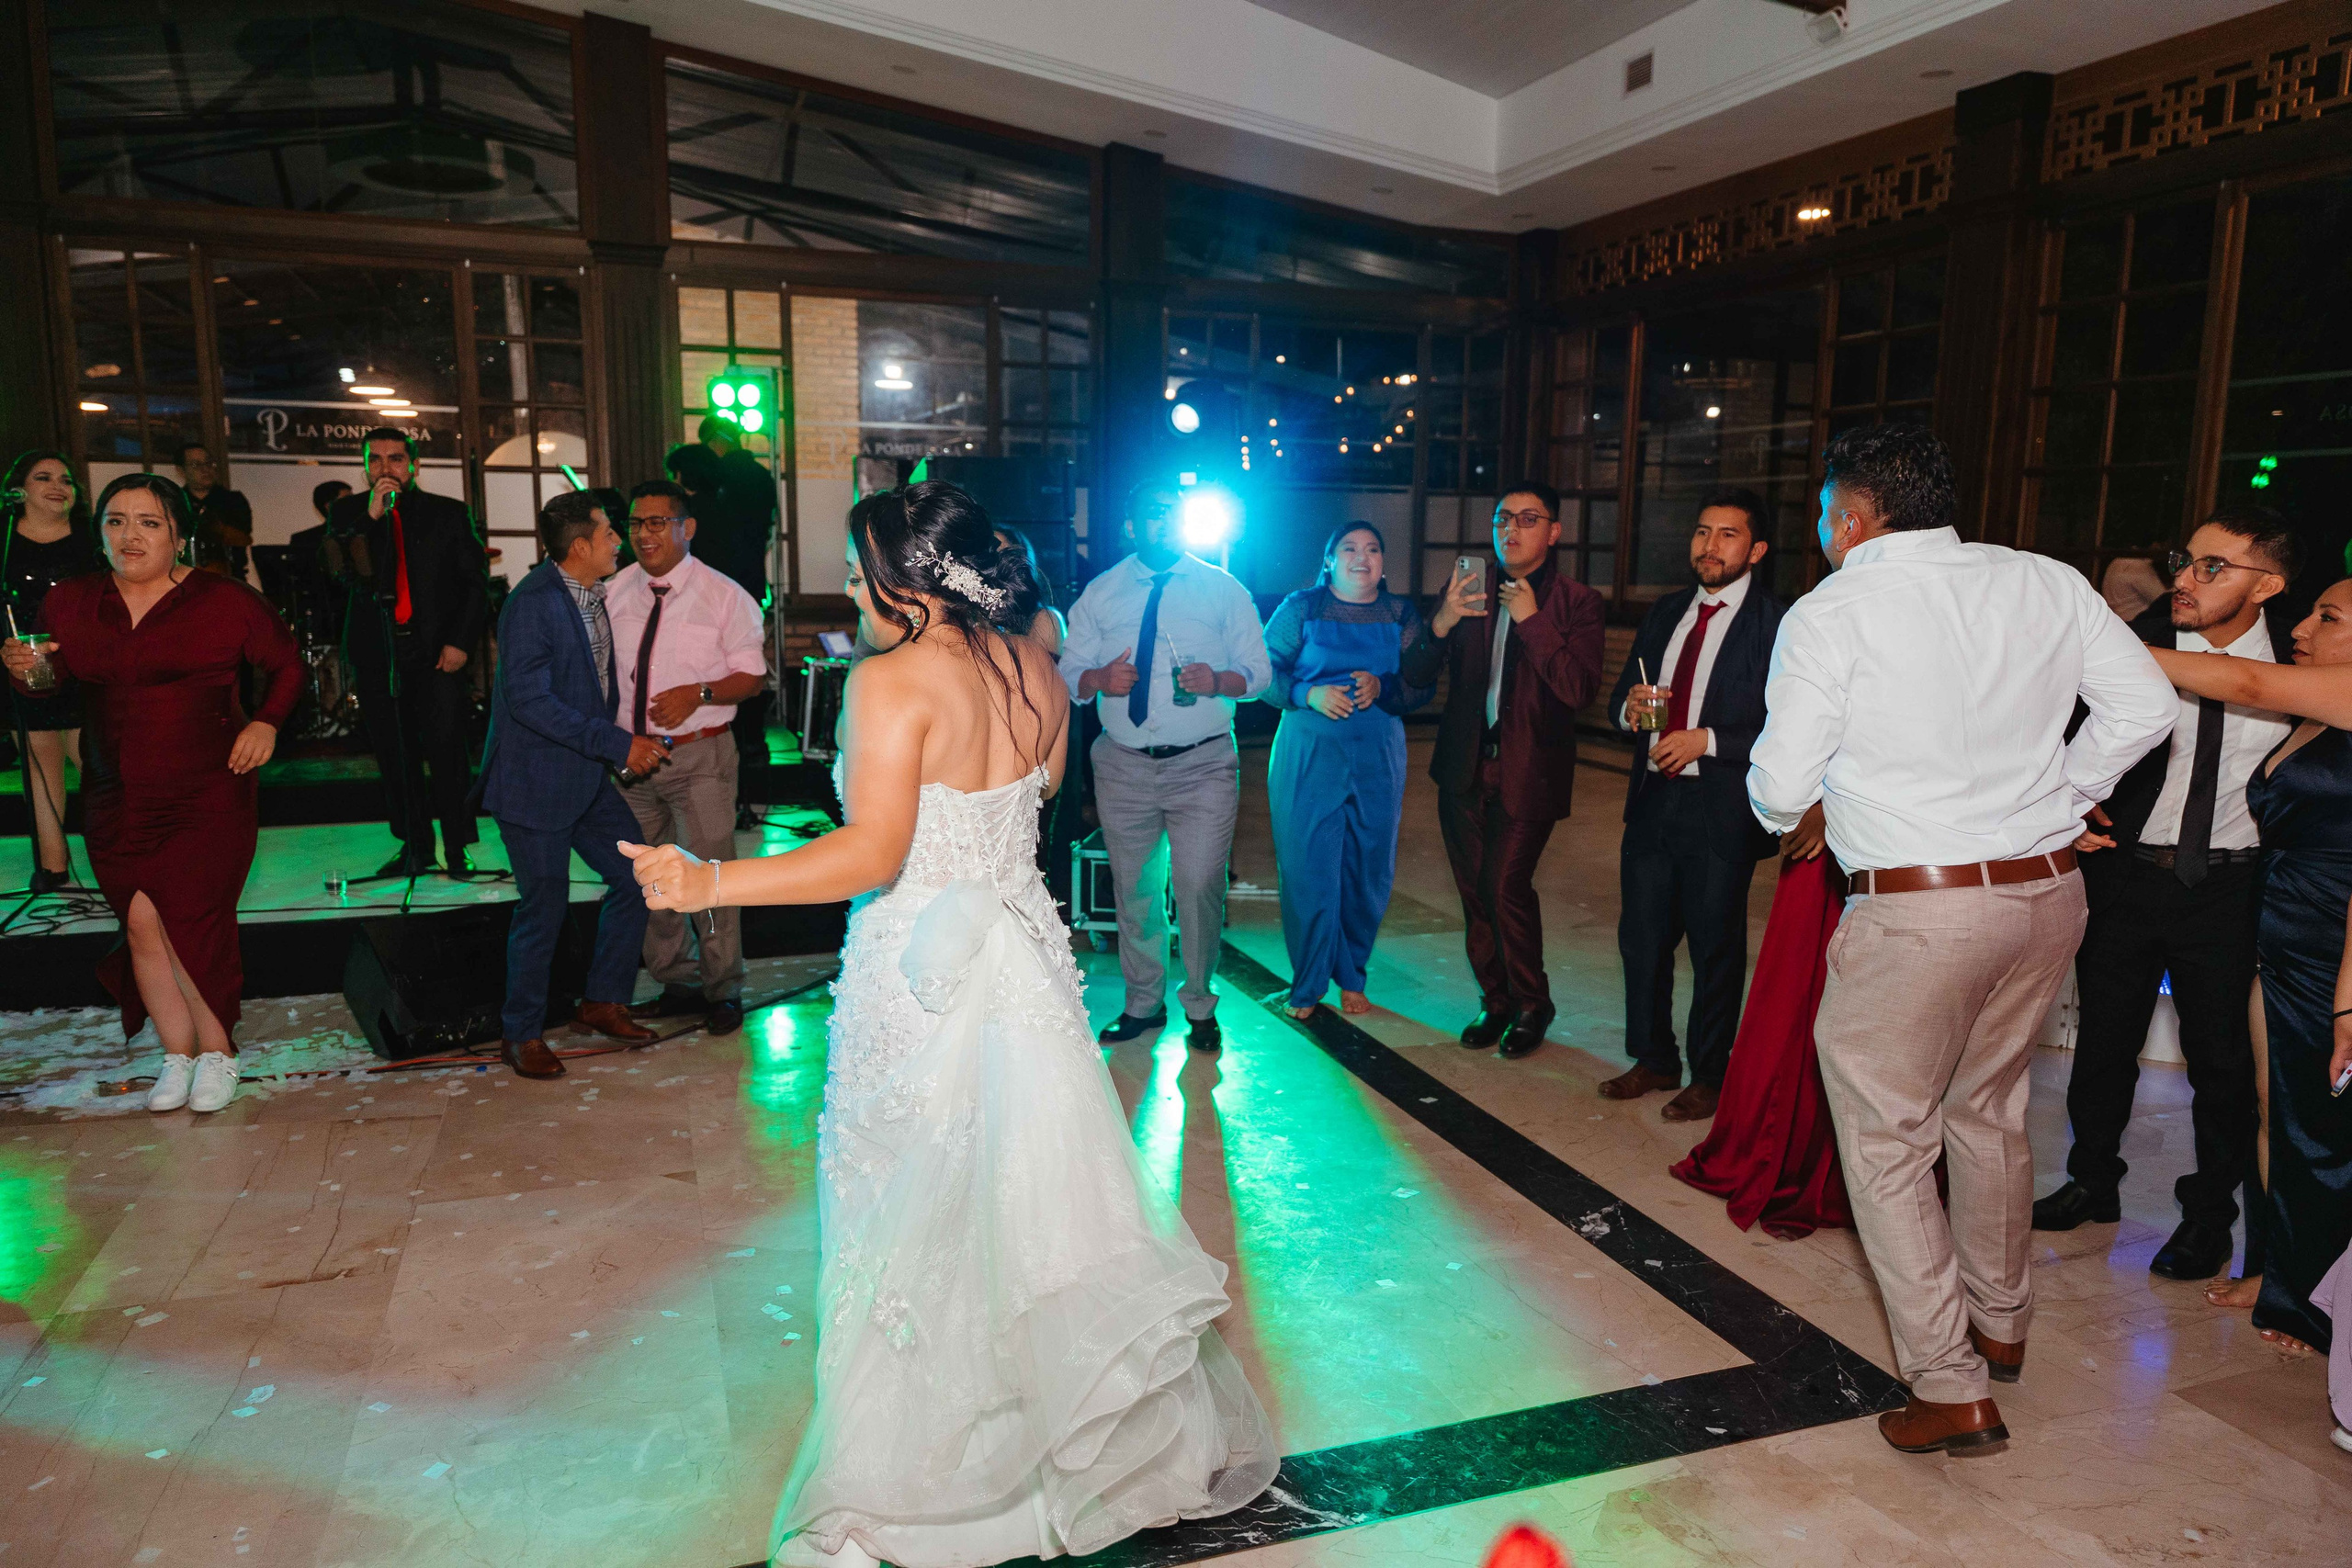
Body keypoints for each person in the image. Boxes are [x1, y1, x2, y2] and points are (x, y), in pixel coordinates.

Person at [621, 479, 1276, 1566]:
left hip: (916, 970)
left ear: (906, 579)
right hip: (1020, 959)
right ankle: (1063, 1450)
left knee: (905, 1213)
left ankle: (901, 1493)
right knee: (1036, 1208)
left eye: (855, 564)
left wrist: (708, 886)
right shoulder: (1036, 662)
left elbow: (875, 855)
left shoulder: (889, 683)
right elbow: (1040, 790)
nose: (845, 586)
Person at [1748, 424, 2174, 1455]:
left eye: (1822, 517)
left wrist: (1803, 789)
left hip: (1920, 910)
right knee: (1985, 1109)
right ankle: (2003, 1322)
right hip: (2046, 895)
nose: (1822, 534)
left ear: (1851, 517)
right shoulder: (2042, 579)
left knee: (1888, 1139)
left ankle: (1949, 1384)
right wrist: (2064, 792)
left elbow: (1777, 790)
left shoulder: (1832, 609)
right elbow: (2146, 705)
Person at [2035, 506, 2296, 1289]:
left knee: (2219, 1062)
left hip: (2231, 883)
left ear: (2269, 584)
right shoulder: (2128, 642)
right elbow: (2057, 727)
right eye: (2186, 560)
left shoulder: (2296, 661)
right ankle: (2092, 1178)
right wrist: (2072, 801)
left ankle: (2207, 1218)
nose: (2185, 577)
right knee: (2104, 1041)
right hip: (2128, 870)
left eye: (2213, 567)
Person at [3, 474, 300, 1115]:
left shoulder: (222, 599)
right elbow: (49, 692)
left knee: (193, 920)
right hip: (114, 790)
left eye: (148, 522)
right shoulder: (71, 601)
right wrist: (27, 673)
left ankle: (217, 1050)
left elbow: (286, 663)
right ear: (99, 531)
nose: (129, 535)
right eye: (115, 521)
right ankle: (176, 1053)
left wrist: (265, 721)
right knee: (140, 923)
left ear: (176, 532)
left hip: (209, 788)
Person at [2145, 579, 2352, 1361]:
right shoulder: (2314, 708)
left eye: (2327, 617)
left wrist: (2103, 647)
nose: (2302, 625)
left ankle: (2320, 1296)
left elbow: (2246, 679)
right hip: (2279, 928)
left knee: (2325, 1125)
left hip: (2337, 941)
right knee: (2276, 1104)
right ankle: (2274, 1268)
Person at [1059, 480, 1271, 1050]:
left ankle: (1200, 1004)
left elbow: (1259, 673)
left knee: (1199, 882)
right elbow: (1066, 674)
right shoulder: (1101, 593)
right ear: (1130, 523)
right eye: (1150, 513)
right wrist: (1100, 679)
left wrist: (1218, 681)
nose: (1161, 522)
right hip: (1123, 764)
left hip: (1203, 765)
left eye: (1170, 514)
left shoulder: (1222, 589)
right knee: (1136, 890)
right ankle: (1143, 1004)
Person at [1400, 480, 1606, 1059]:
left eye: (1528, 519)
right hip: (1463, 767)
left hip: (1529, 774)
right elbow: (1413, 673)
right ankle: (1496, 1002)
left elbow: (1579, 689)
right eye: (1502, 518)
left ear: (1554, 532)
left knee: (1504, 886)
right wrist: (1440, 620)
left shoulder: (1577, 603)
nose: (1511, 530)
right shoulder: (1466, 587)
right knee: (1473, 892)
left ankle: (1533, 1004)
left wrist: (1533, 620)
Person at [1604, 489, 1784, 1120]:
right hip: (1653, 800)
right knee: (1643, 940)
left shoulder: (1777, 624)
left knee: (1714, 947)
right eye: (1703, 532)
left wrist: (1706, 739)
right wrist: (1627, 712)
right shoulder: (1666, 611)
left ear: (1756, 549)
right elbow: (1625, 694)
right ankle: (1653, 1057)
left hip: (1721, 808)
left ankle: (1710, 1072)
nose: (1710, 546)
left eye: (1728, 534)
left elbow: (1787, 724)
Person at [477, 491, 662, 1079]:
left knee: (638, 874)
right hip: (534, 783)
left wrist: (616, 746)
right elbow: (530, 702)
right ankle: (521, 1034)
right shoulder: (532, 604)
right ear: (580, 545)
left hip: (583, 777)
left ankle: (603, 1001)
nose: (619, 541)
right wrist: (617, 745)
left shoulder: (589, 592)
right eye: (609, 533)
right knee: (544, 908)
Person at [609, 479, 768, 1038]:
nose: (644, 534)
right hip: (630, 762)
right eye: (635, 524)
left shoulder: (725, 596)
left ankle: (722, 988)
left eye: (657, 522)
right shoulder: (614, 591)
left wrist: (699, 693)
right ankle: (675, 981)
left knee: (712, 873)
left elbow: (752, 677)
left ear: (686, 529)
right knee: (649, 875)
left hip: (699, 757)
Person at [1261, 523, 1434, 1018]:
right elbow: (1262, 672)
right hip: (1308, 753)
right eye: (1350, 548)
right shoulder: (1303, 608)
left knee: (1368, 871)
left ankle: (1353, 973)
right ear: (1329, 559)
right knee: (1307, 869)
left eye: (1374, 549)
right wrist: (1306, 694)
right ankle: (1310, 981)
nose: (1363, 557)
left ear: (1384, 561)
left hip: (1377, 756)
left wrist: (1384, 687)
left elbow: (1422, 685)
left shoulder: (1400, 613)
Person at [1668, 801, 1852, 1238]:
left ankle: (1801, 1161)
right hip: (1922, 842)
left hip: (1831, 843)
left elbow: (1777, 783)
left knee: (1802, 1001)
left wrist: (1817, 806)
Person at [325, 427, 490, 879]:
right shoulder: (348, 515)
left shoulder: (448, 514)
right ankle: (415, 846)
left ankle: (457, 848)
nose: (385, 469)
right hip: (378, 653)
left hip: (437, 651)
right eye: (375, 460)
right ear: (364, 468)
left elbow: (474, 588)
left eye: (395, 459)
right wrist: (371, 522)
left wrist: (460, 643)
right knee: (395, 756)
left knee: (447, 752)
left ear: (413, 465)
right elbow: (339, 576)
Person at [3, 449, 99, 892]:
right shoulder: (4, 539)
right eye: (45, 478)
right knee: (40, 769)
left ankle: (120, 866)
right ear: (19, 490)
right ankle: (53, 868)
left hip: (85, 668)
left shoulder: (93, 539)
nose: (59, 486)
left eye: (67, 479)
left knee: (98, 769)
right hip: (24, 666)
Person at [689, 419, 778, 769]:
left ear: (716, 441)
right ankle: (754, 749)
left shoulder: (717, 482)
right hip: (751, 583)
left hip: (717, 587)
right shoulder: (761, 475)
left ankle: (732, 750)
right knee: (747, 662)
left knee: (720, 665)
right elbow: (766, 531)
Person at [175, 442, 253, 581]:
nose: (205, 469)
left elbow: (241, 538)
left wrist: (211, 525)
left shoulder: (233, 500)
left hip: (230, 578)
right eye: (196, 465)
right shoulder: (175, 502)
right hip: (185, 579)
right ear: (181, 470)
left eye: (208, 463)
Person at [994, 525, 1066, 652]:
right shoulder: (967, 613)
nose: (997, 562)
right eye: (989, 553)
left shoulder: (1043, 619)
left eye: (1004, 554)